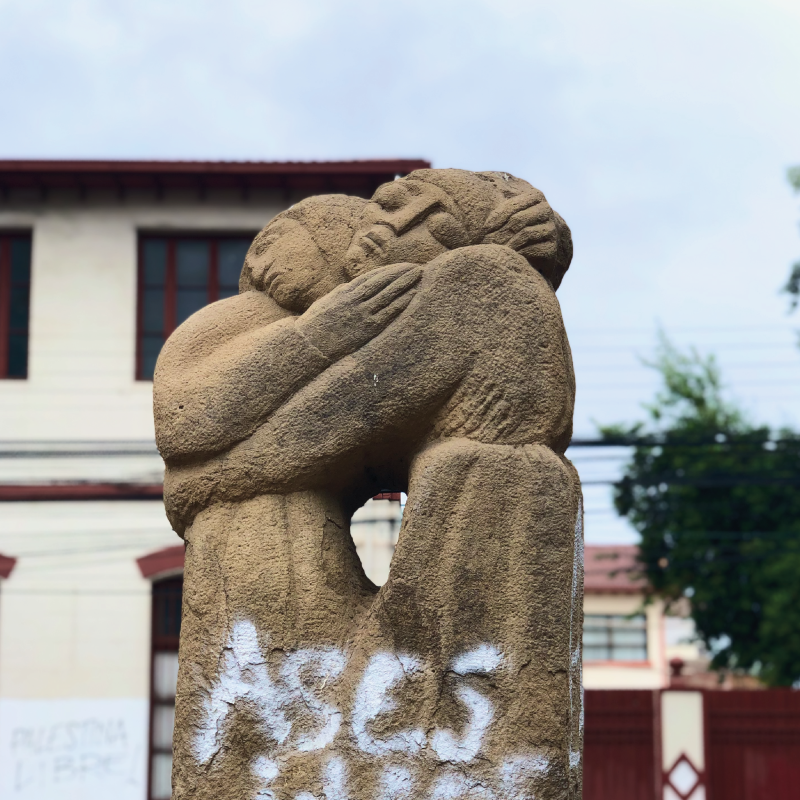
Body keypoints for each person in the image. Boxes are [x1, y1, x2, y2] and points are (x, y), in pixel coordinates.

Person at [158, 171, 583, 800]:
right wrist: (318, 335)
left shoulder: (469, 284)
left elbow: (321, 422)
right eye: (381, 208)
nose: (380, 223)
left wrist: (210, 480)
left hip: (480, 490)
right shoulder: (257, 319)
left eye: (419, 216)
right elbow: (187, 417)